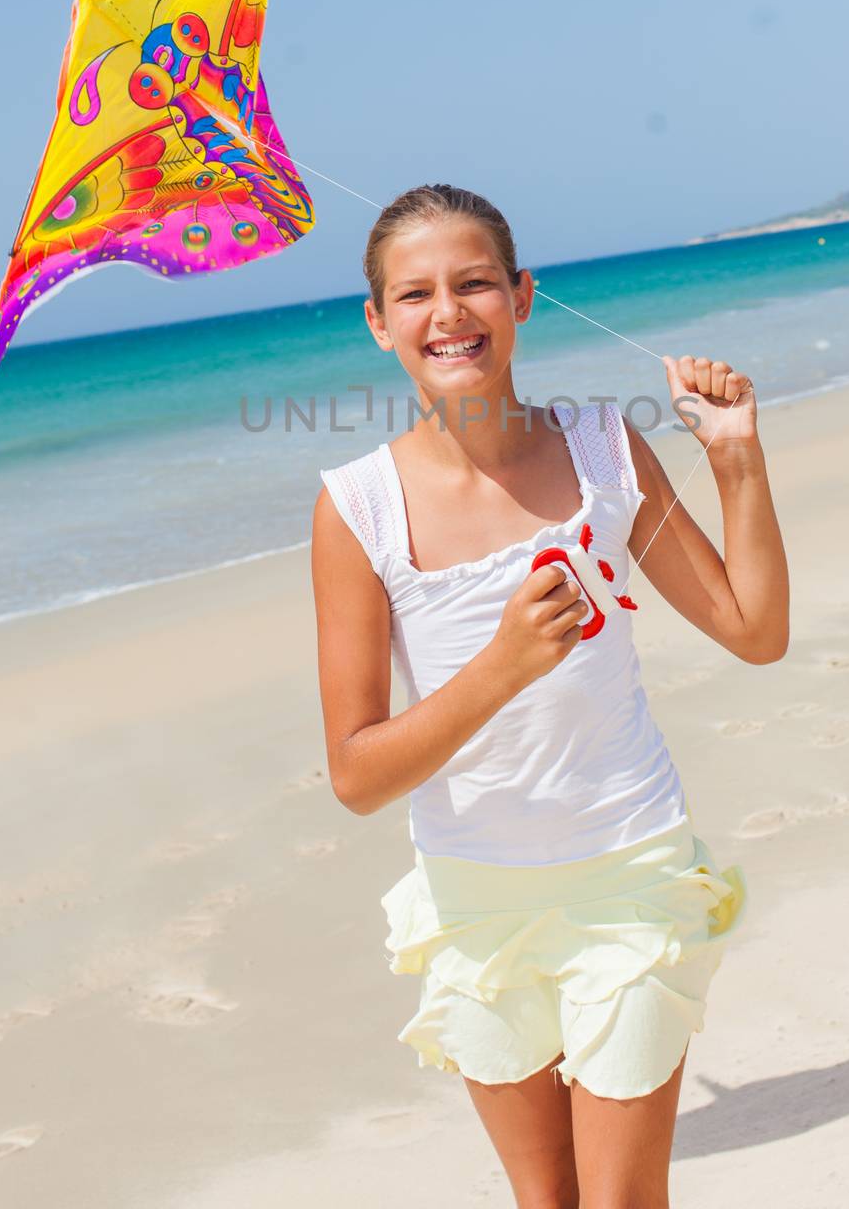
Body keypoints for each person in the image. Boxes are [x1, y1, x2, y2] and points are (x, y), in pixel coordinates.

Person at [311, 183, 789, 1208]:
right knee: (550, 1199)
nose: (448, 312)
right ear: (378, 321)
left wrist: (737, 459)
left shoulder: (607, 448)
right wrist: (501, 667)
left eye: (475, 281)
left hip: (629, 866)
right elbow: (356, 773)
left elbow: (754, 630)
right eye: (416, 293)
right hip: (475, 897)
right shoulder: (356, 508)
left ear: (522, 296)